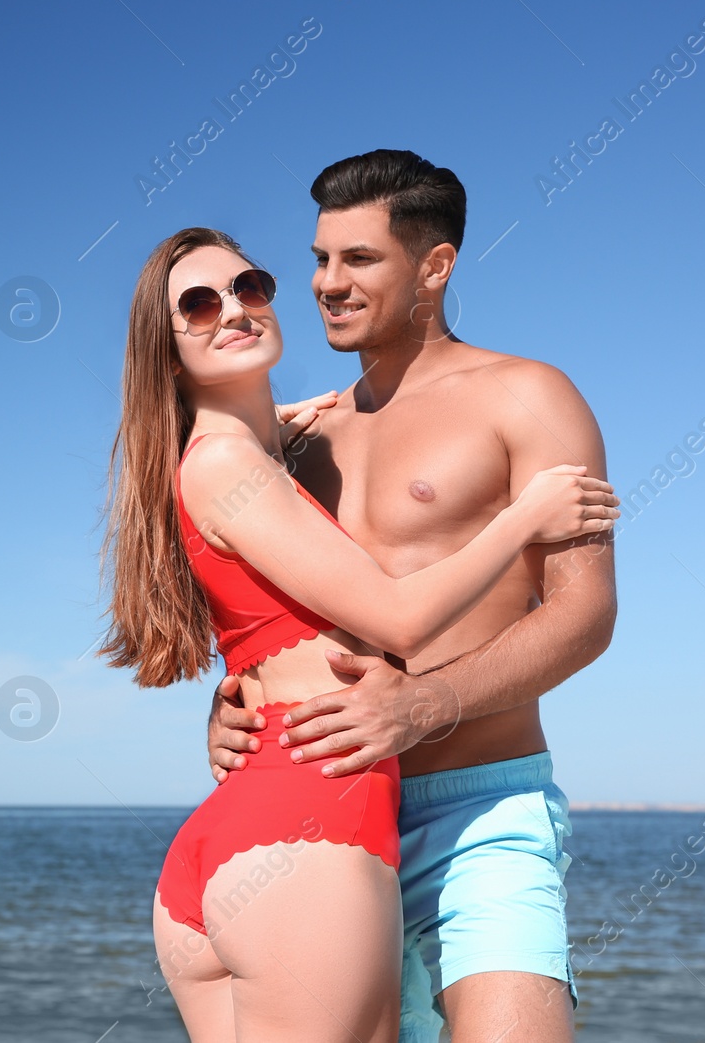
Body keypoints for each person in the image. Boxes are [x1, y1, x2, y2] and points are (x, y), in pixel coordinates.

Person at [100, 224, 619, 1043]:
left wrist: (241, 699)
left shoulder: (286, 445)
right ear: (166, 351)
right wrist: (524, 518)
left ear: (436, 264)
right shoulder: (234, 461)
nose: (239, 307)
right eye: (198, 304)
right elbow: (397, 616)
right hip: (314, 823)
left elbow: (585, 613)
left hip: (299, 820)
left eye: (250, 285)